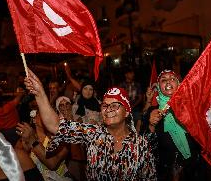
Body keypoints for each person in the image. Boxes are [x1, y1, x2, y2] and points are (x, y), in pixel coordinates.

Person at [24, 68, 157, 180]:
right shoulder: (93, 133)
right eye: (105, 105)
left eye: (115, 105)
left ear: (127, 112)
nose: (108, 109)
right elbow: (55, 126)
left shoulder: (141, 144)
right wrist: (40, 93)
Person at [143, 70, 204, 181]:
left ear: (179, 84)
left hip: (192, 167)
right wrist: (151, 125)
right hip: (166, 169)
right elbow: (146, 146)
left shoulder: (192, 106)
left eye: (172, 79)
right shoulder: (153, 111)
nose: (168, 82)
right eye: (163, 80)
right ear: (159, 87)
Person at [16, 97, 72, 181]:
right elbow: (14, 162)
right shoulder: (25, 137)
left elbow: (53, 164)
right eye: (44, 114)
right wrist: (25, 151)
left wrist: (33, 142)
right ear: (35, 119)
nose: (48, 117)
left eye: (52, 114)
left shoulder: (63, 136)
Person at [119, 67, 143, 132]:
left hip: (135, 108)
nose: (133, 74)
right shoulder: (122, 85)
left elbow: (140, 97)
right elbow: (119, 98)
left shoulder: (137, 85)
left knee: (138, 122)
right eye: (130, 73)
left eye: (133, 73)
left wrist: (133, 105)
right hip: (125, 108)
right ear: (126, 75)